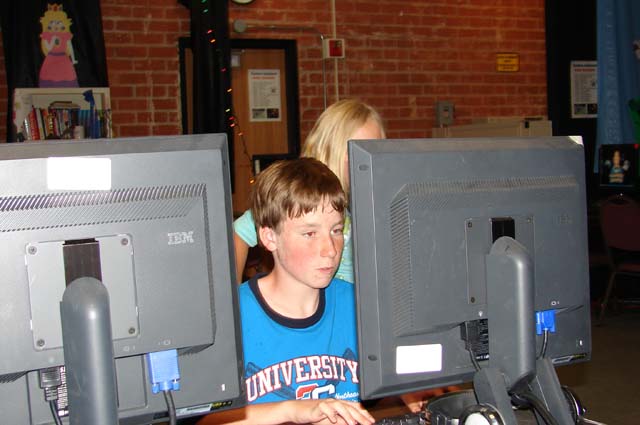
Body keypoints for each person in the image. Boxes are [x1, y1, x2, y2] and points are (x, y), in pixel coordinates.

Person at [198, 157, 375, 425]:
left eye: (336, 230)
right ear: (270, 238)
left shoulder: (358, 305)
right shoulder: (230, 319)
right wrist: (291, 411)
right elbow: (207, 421)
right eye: (309, 234)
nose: (330, 249)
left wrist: (412, 390)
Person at [233, 98, 385, 284]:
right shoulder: (301, 197)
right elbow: (240, 232)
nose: (369, 159)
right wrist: (232, 296)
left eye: (376, 150)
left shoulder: (371, 200)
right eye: (360, 149)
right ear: (332, 147)